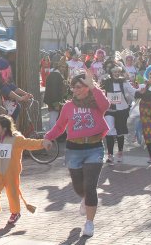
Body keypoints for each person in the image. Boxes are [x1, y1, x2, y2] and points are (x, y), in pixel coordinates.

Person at [43, 68, 110, 238]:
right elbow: (59, 126)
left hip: (94, 148)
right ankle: (84, 199)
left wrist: (93, 86)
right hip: (74, 150)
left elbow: (106, 104)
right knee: (79, 186)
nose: (77, 90)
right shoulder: (68, 106)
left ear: (87, 87)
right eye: (75, 87)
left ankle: (89, 223)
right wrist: (48, 137)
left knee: (90, 186)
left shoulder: (96, 103)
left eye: (81, 86)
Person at [0, 115, 46, 224]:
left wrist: (43, 143)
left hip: (11, 173)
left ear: (4, 128)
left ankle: (15, 213)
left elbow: (30, 143)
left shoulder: (16, 139)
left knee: (12, 193)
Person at [100, 60, 135, 164]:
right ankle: (110, 155)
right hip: (109, 110)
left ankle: (120, 151)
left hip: (121, 110)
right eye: (114, 72)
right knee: (110, 130)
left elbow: (132, 91)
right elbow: (99, 92)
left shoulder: (124, 82)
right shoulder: (105, 82)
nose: (116, 74)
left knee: (120, 132)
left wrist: (141, 92)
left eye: (118, 72)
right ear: (111, 73)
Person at [0, 57, 32, 122]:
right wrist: (20, 98)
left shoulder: (5, 77)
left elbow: (13, 87)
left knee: (16, 108)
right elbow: (6, 90)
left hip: (7, 105)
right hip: (0, 105)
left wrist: (26, 94)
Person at [44, 60, 67, 130]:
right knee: (53, 117)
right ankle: (51, 136)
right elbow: (54, 90)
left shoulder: (57, 74)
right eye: (61, 67)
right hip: (54, 100)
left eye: (64, 67)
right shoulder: (55, 75)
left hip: (55, 100)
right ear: (58, 66)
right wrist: (56, 103)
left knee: (55, 117)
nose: (63, 68)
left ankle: (53, 135)